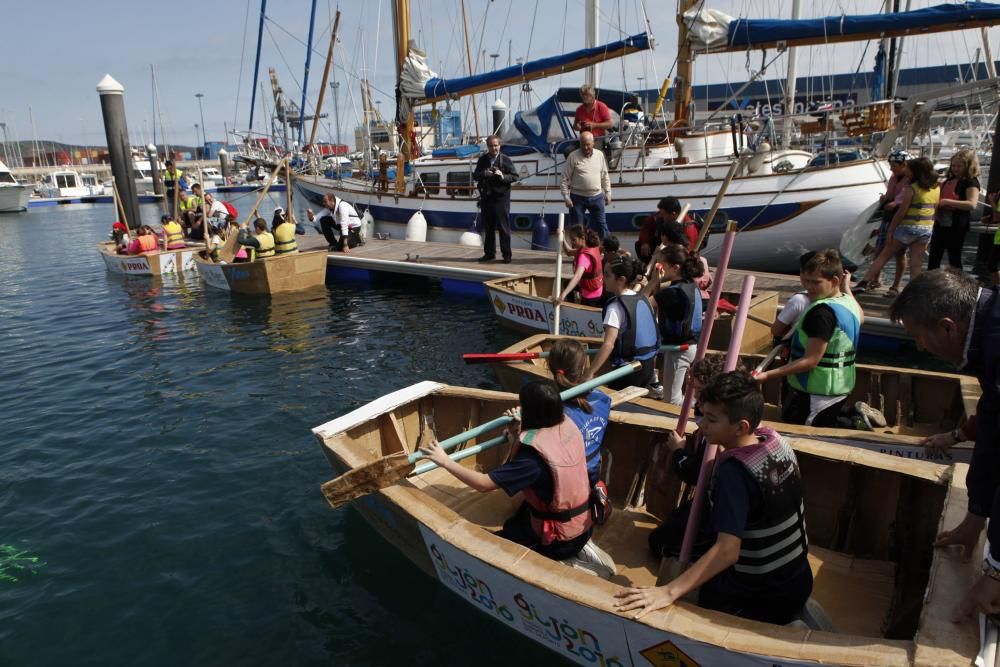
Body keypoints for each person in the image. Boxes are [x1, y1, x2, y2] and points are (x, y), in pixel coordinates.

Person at [615, 371, 812, 624]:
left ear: (741, 426)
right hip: (798, 579)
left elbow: (727, 551)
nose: (701, 425)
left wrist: (668, 592)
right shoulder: (775, 440)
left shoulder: (734, 473)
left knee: (695, 584)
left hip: (764, 596)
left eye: (710, 419)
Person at [888, 270, 1000, 622]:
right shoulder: (987, 331)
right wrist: (976, 515)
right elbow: (995, 420)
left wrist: (996, 571)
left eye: (919, 337)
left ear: (948, 327)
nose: (920, 348)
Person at [419, 380, 593, 561]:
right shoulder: (566, 427)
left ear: (531, 412)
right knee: (518, 509)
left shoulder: (531, 461)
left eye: (523, 406)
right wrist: (516, 435)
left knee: (488, 547)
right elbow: (537, 464)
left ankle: (570, 559)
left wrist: (444, 460)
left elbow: (483, 484)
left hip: (560, 543)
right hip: (581, 524)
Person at [755, 250, 876, 428]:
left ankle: (855, 422)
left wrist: (766, 375)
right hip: (839, 386)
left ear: (835, 281)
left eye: (815, 282)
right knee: (813, 415)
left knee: (798, 423)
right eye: (805, 281)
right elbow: (861, 317)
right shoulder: (847, 300)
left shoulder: (821, 314)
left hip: (816, 390)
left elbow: (811, 361)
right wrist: (846, 287)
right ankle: (851, 412)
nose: (808, 287)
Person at [647, 355, 738, 560]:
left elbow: (698, 474)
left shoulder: (718, 432)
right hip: (708, 496)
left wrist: (678, 451)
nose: (693, 395)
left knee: (659, 544)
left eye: (698, 390)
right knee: (671, 523)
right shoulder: (712, 419)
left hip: (716, 507)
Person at [856, 156, 940, 293]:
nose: (906, 170)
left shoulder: (912, 188)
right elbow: (935, 209)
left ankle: (864, 282)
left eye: (909, 168)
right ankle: (914, 293)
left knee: (884, 255)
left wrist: (890, 231)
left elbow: (901, 212)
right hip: (926, 228)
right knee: (916, 265)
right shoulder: (936, 187)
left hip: (907, 227)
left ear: (915, 172)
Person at [587, 256, 660, 391]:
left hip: (629, 371)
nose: (602, 279)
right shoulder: (639, 298)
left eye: (607, 275)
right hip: (647, 367)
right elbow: (643, 295)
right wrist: (654, 281)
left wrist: (590, 373)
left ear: (621, 280)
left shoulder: (615, 307)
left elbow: (608, 344)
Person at [643, 244, 704, 405]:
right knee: (677, 393)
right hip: (691, 345)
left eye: (662, 264)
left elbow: (639, 305)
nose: (659, 267)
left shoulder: (673, 293)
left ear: (676, 267)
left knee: (672, 398)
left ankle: (683, 421)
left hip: (679, 350)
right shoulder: (690, 285)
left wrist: (653, 281)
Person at [547, 338, 611, 487]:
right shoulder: (603, 400)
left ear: (551, 368)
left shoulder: (551, 414)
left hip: (564, 485)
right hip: (591, 478)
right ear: (582, 369)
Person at [928, 148, 981, 272]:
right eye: (953, 166)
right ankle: (930, 283)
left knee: (954, 257)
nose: (955, 169)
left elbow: (972, 204)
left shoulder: (970, 182)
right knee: (934, 256)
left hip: (956, 224)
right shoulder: (950, 180)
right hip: (941, 223)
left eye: (959, 166)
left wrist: (947, 202)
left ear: (968, 166)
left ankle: (958, 286)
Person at [473, 135, 518, 263]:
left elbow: (515, 176)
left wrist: (502, 176)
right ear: (487, 147)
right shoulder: (483, 160)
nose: (494, 148)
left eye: (496, 145)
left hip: (501, 198)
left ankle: (507, 255)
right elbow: (476, 175)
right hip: (486, 198)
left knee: (504, 227)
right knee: (488, 227)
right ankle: (489, 253)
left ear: (500, 146)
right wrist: (484, 173)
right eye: (491, 146)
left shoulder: (505, 159)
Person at [560, 131, 611, 239]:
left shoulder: (600, 155)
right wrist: (566, 197)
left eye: (588, 144)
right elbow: (564, 179)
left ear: (593, 143)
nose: (585, 147)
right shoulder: (572, 156)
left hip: (597, 196)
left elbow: (604, 175)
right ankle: (580, 252)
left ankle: (607, 250)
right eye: (583, 144)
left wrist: (608, 193)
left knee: (602, 225)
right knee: (578, 228)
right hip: (577, 198)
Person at [552, 224, 604, 307]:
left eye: (574, 240)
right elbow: (569, 252)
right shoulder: (590, 247)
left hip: (591, 295)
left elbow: (577, 277)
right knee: (566, 283)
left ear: (583, 238)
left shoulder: (584, 256)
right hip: (596, 288)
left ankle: (572, 306)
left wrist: (562, 295)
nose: (572, 243)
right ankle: (572, 303)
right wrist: (562, 238)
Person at [635, 197, 696, 265]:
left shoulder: (688, 226)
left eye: (663, 214)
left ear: (673, 214)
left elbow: (689, 247)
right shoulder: (658, 217)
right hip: (664, 245)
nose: (660, 216)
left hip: (678, 253)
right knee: (639, 245)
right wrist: (644, 242)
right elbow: (646, 228)